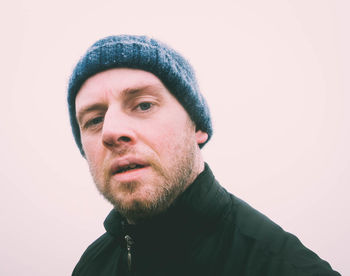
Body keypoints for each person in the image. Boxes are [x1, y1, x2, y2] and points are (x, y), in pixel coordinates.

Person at [68, 35, 340, 276]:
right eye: (94, 120)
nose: (111, 132)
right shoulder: (92, 266)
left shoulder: (284, 267)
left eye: (143, 105)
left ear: (196, 126)